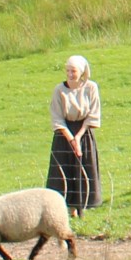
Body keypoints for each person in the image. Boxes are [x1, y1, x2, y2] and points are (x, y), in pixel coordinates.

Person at [46, 54, 101, 214]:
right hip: (64, 136)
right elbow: (57, 117)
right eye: (68, 71)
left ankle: (82, 206)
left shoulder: (91, 87)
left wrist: (78, 137)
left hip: (83, 133)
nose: (70, 74)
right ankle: (68, 209)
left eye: (74, 71)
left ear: (81, 71)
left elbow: (93, 114)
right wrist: (71, 138)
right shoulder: (59, 90)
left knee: (83, 170)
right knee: (64, 171)